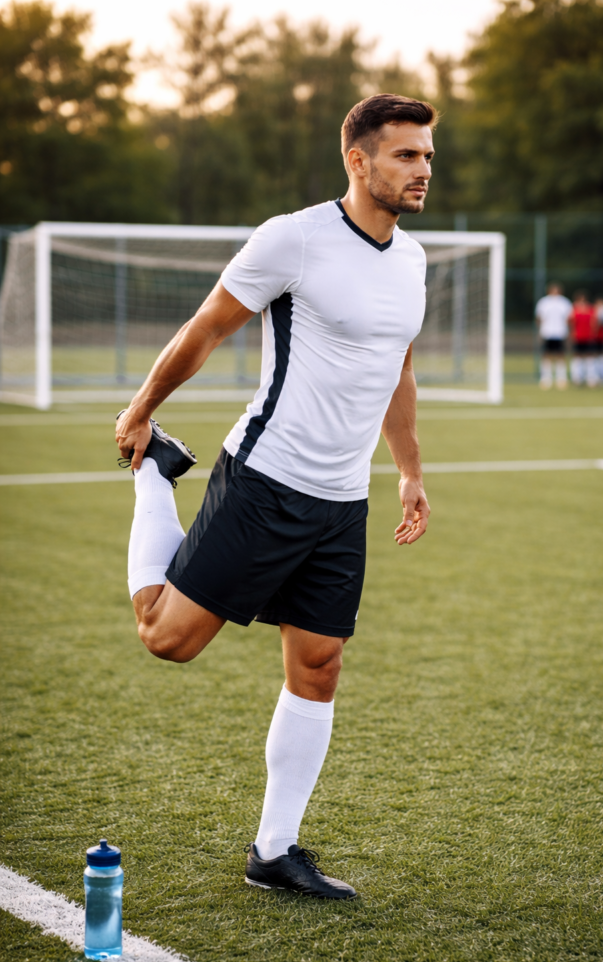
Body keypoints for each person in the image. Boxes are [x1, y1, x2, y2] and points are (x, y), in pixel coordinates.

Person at [115, 94, 434, 900]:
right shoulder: (293, 237)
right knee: (166, 638)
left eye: (427, 155)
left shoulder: (413, 261)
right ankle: (156, 475)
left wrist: (408, 470)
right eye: (405, 155)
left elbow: (397, 371)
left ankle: (274, 850)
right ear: (357, 160)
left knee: (319, 665)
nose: (422, 169)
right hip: (265, 480)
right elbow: (206, 327)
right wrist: (142, 410)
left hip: (341, 503)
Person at [535, 283, 573, 389]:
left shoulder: (565, 302)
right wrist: (540, 331)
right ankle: (546, 378)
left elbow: (569, 318)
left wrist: (568, 331)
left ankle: (561, 378)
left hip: (560, 333)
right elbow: (539, 317)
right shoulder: (543, 302)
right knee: (546, 355)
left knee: (561, 355)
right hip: (547, 332)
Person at [569, 291, 598, 387]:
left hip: (588, 336)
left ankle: (591, 378)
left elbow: (594, 322)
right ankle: (577, 377)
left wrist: (593, 334)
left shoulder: (591, 309)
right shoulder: (573, 309)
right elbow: (570, 322)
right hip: (577, 336)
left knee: (590, 357)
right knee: (577, 357)